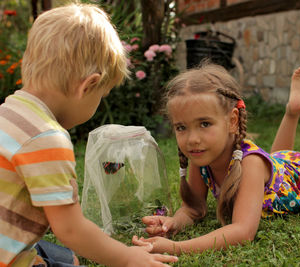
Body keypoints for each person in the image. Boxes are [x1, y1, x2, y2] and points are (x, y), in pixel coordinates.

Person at [132, 61, 300, 254]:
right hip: (276, 166)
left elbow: (242, 232)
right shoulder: (199, 158)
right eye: (181, 127)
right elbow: (194, 209)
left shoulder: (250, 165)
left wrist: (178, 248)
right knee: (275, 158)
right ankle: (293, 110)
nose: (192, 139)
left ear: (232, 120)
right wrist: (172, 224)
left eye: (204, 124)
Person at [0, 3, 178, 267]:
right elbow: (70, 230)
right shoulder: (46, 138)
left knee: (61, 255)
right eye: (101, 96)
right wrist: (127, 257)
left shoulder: (9, 111)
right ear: (89, 85)